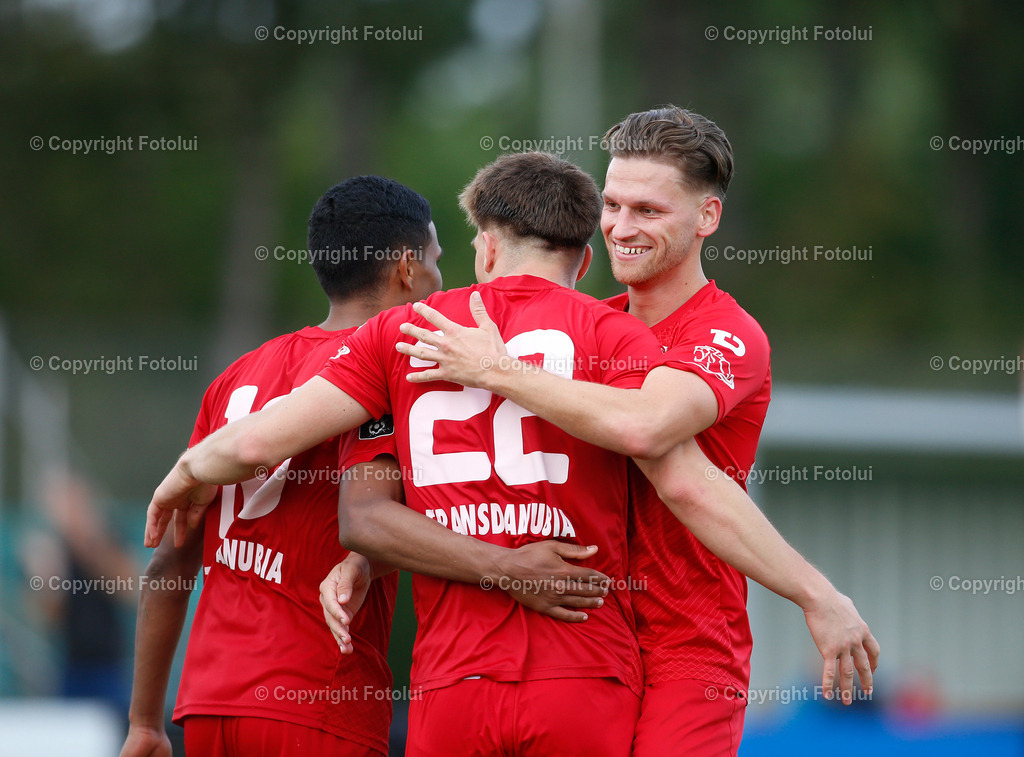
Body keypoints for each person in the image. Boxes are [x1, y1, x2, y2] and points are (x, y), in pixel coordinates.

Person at [390, 106, 880, 756]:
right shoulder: (586, 325)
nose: (622, 228)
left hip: (685, 647)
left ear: (707, 217)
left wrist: (817, 595)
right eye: (614, 205)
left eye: (648, 211)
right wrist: (364, 550)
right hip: (577, 639)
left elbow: (649, 430)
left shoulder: (726, 333)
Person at [121, 176, 442, 757]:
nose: (440, 279)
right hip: (317, 703)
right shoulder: (394, 369)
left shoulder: (237, 378)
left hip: (210, 704)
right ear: (406, 268)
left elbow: (171, 561)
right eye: (435, 261)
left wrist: (145, 722)